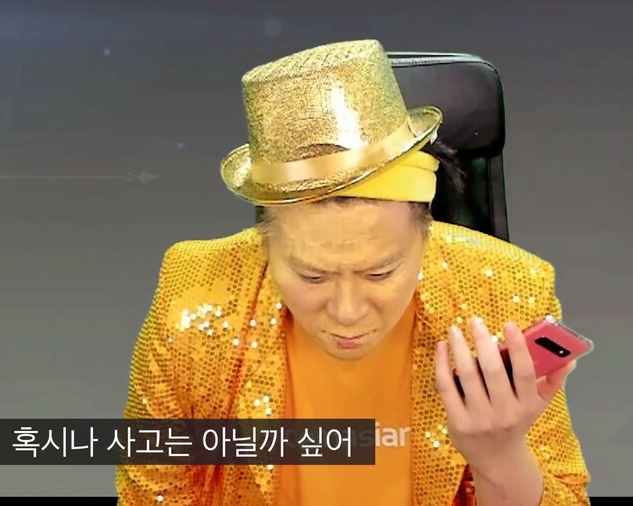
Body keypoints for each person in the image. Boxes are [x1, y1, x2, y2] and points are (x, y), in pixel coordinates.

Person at [116, 39, 590, 505]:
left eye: (380, 273)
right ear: (265, 243)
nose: (347, 313)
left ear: (427, 235)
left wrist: (500, 458)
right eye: (313, 276)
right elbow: (149, 495)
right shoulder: (194, 296)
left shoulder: (506, 289)